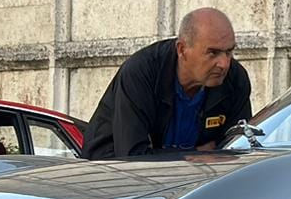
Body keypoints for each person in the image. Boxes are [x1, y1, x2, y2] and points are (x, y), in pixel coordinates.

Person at [83, 8, 252, 160]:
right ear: (182, 49)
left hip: (198, 182)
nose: (224, 64)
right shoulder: (142, 72)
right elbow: (131, 156)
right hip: (112, 178)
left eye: (229, 52)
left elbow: (240, 149)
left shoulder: (235, 79)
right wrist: (195, 155)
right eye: (213, 53)